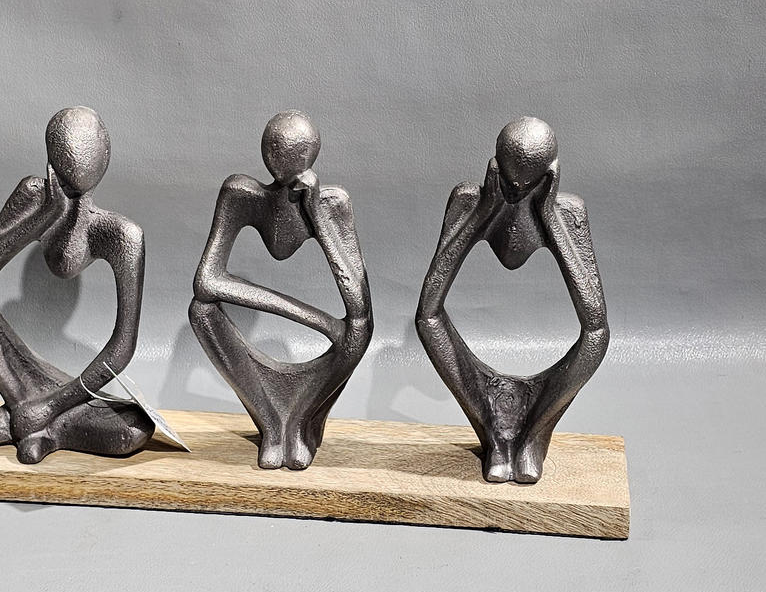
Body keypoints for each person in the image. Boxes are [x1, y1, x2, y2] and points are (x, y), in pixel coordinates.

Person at [0, 107, 154, 464]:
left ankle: (33, 423)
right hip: (25, 387)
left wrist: (49, 406)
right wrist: (44, 215)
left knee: (133, 429)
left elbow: (122, 347)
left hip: (55, 395)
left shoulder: (123, 235)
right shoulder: (33, 197)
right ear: (50, 166)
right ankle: (30, 420)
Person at [416, 117, 609, 483]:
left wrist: (549, 216)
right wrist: (484, 211)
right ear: (495, 169)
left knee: (597, 341)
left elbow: (595, 325)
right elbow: (428, 310)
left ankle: (532, 435)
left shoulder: (567, 212)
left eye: (527, 183)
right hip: (484, 208)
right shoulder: (470, 202)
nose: (517, 191)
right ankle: (495, 435)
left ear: (549, 177)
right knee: (427, 324)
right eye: (509, 180)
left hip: (552, 211)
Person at [190, 111, 373, 470]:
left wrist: (317, 216)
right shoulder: (240, 194)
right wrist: (318, 321)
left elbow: (359, 309)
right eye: (273, 149)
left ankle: (301, 423)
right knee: (201, 311)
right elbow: (206, 281)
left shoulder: (333, 204)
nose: (278, 157)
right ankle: (273, 424)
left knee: (359, 332)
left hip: (321, 215)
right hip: (311, 330)